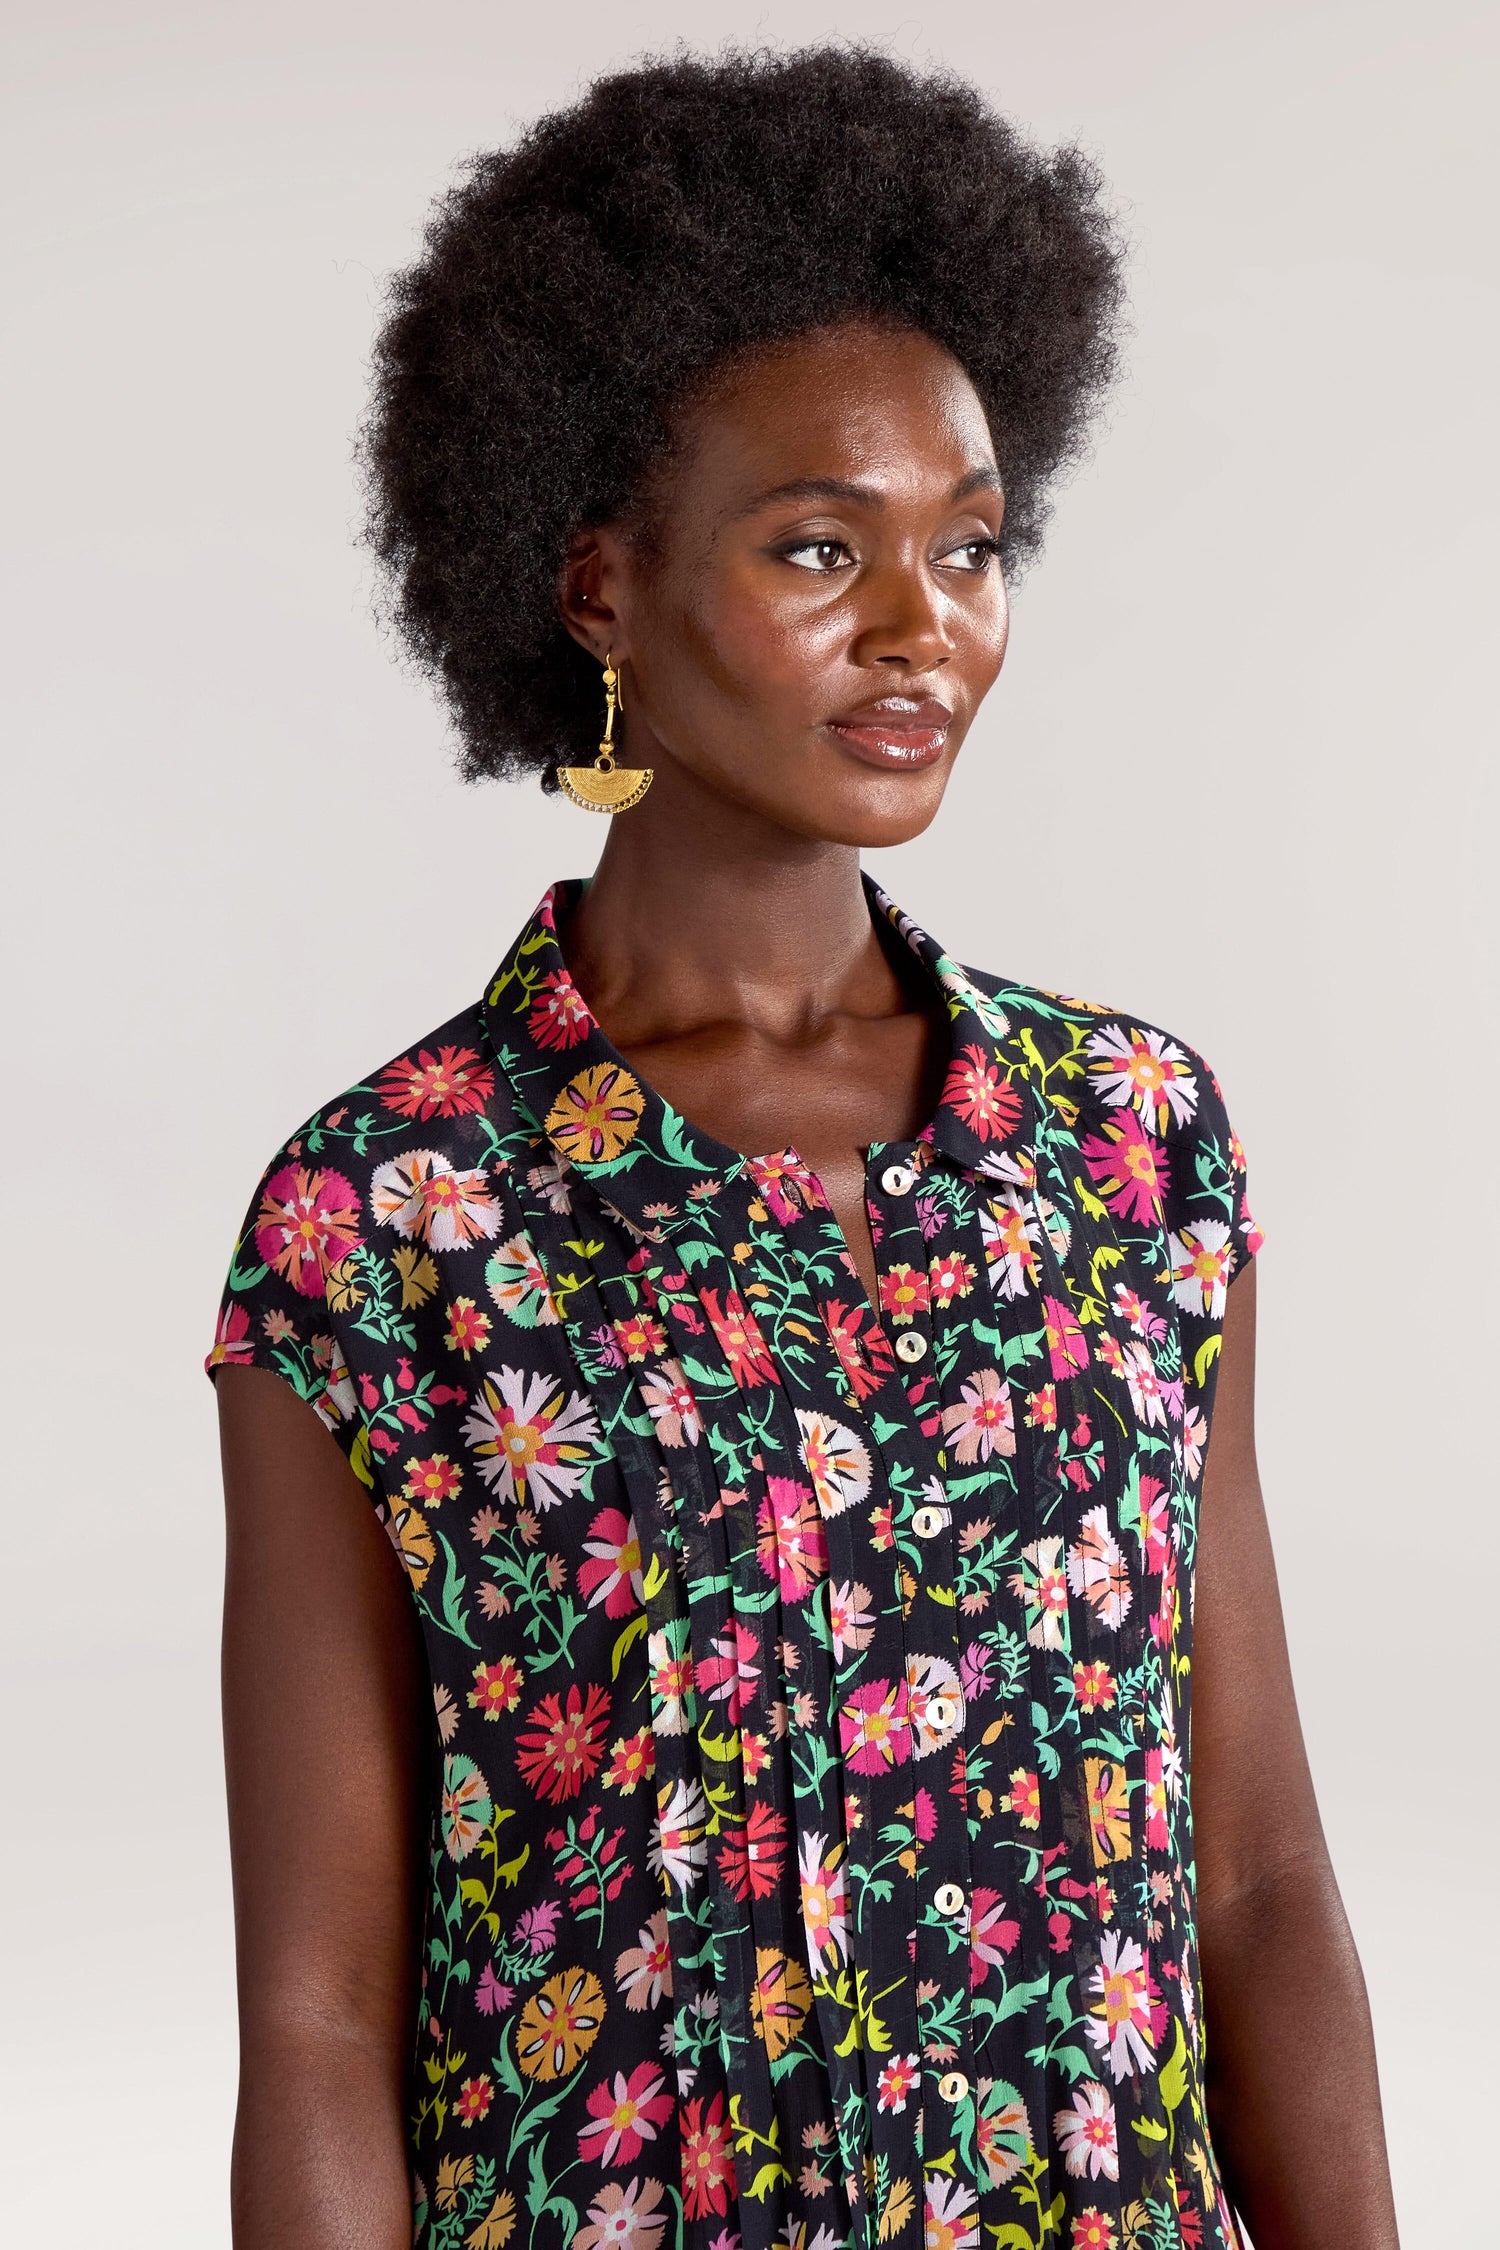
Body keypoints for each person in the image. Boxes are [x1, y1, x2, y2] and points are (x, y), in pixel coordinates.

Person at [207, 45, 1400, 2250]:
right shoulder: (383, 1219)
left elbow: (1256, 1878)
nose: (921, 625)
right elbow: (316, 2010)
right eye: (820, 547)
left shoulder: (1138, 1152)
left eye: (970, 546)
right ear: (596, 592)